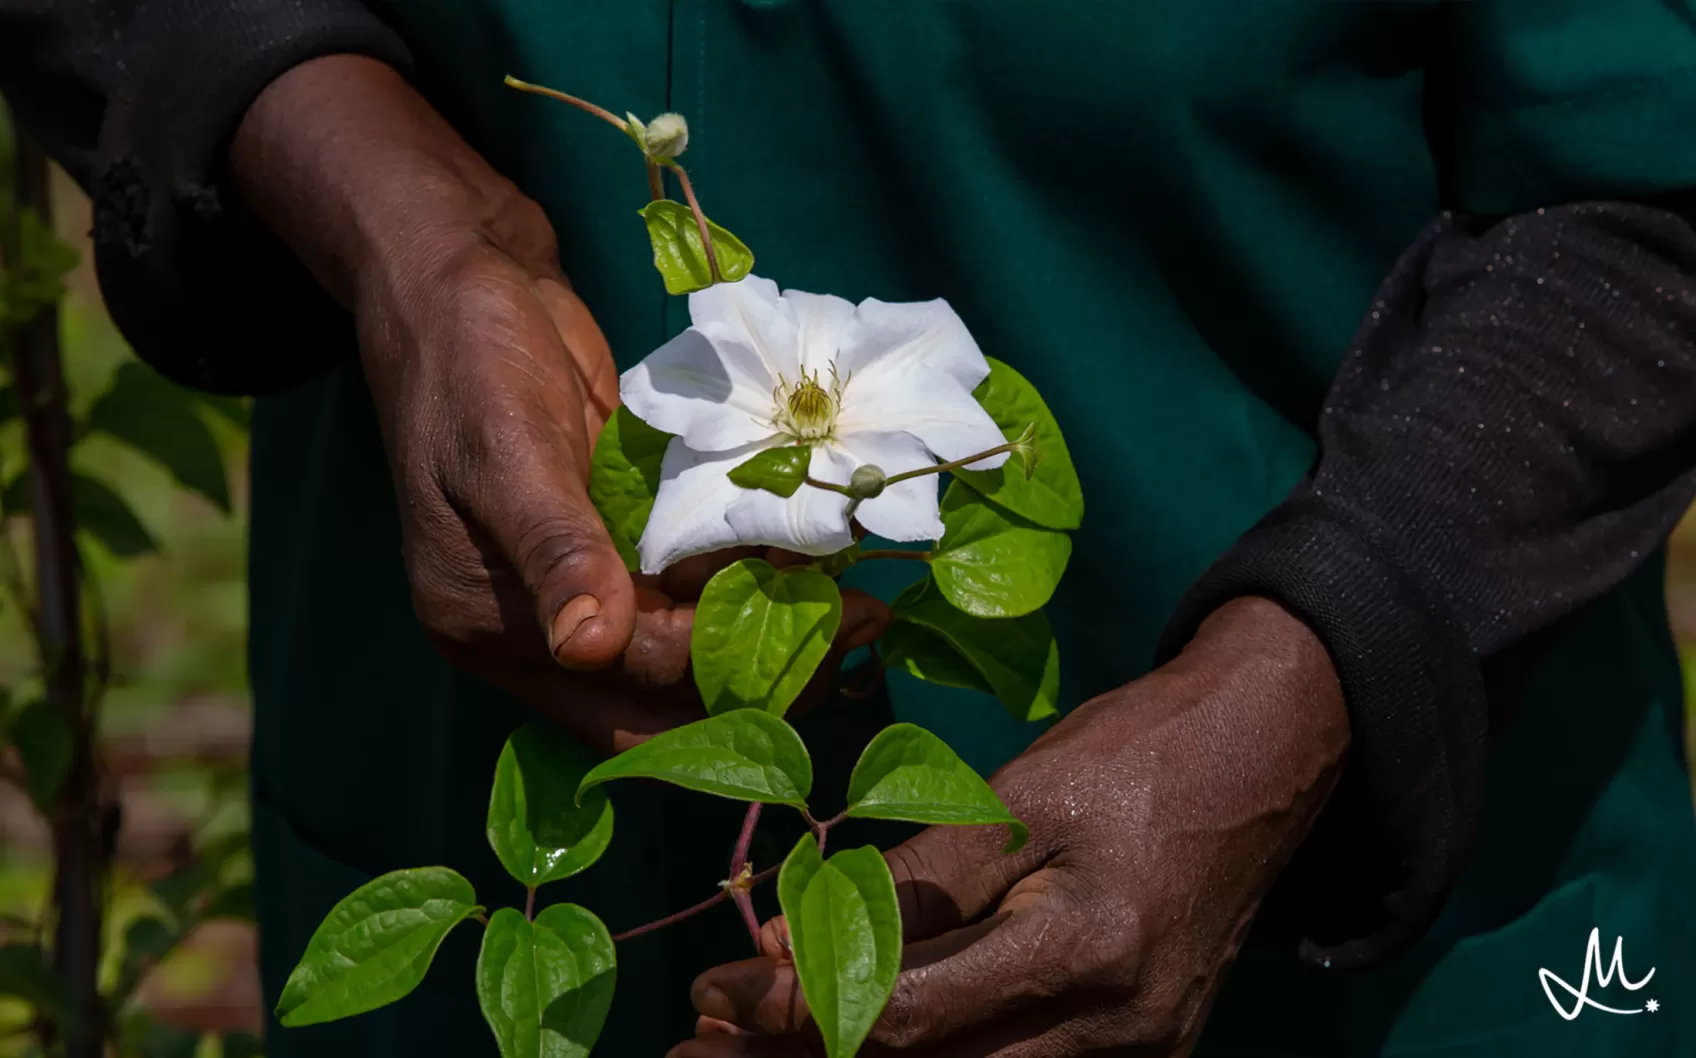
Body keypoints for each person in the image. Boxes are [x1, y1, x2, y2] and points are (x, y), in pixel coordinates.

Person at [5, 2, 1696, 1055]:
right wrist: (395, 213)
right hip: (490, 779)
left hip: (1371, 918)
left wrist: (1326, 655)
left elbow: (1645, 162)